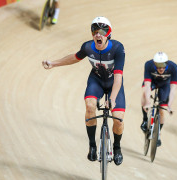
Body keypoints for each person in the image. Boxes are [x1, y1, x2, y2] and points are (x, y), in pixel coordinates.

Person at [42, 16, 125, 166]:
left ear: (108, 34)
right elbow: (74, 58)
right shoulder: (88, 47)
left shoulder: (117, 49)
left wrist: (112, 99)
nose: (97, 34)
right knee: (90, 106)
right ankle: (92, 145)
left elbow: (118, 78)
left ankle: (117, 148)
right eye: (94, 30)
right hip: (97, 80)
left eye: (101, 31)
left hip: (114, 83)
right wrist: (53, 63)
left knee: (118, 119)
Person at [140, 52, 177, 147]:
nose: (161, 68)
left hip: (165, 85)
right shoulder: (148, 65)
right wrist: (148, 102)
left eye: (163, 66)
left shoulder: (173, 67)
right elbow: (147, 85)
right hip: (152, 82)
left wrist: (169, 105)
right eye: (158, 66)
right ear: (154, 63)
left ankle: (158, 134)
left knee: (162, 110)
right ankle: (145, 120)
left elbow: (173, 89)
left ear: (167, 63)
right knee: (145, 94)